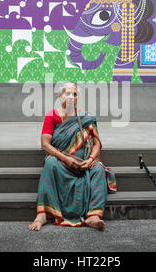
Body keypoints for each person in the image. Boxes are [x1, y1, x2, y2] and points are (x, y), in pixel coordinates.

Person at [28, 82, 117, 231]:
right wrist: (66, 159)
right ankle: (42, 215)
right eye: (67, 93)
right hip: (61, 162)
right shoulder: (52, 116)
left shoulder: (86, 117)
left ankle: (93, 216)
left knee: (99, 170)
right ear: (60, 96)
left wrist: (90, 160)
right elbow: (45, 144)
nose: (71, 97)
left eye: (74, 94)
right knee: (50, 164)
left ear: (77, 98)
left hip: (84, 164)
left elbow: (96, 143)